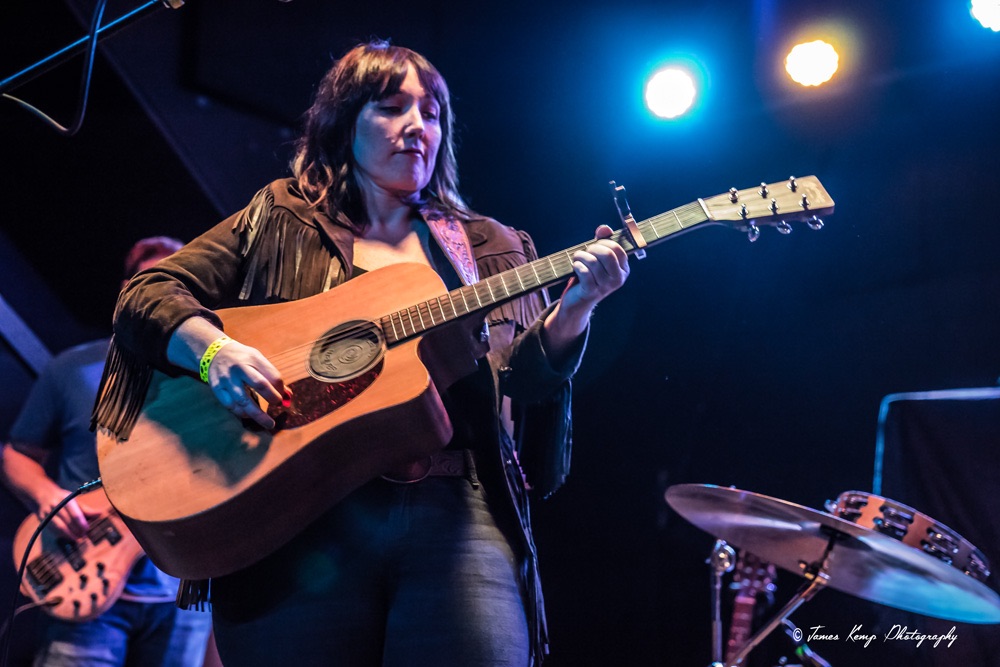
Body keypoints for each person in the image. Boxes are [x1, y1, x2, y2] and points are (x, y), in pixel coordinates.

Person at [93, 40, 629, 666]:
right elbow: (148, 292)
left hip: (455, 515)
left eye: (431, 112)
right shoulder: (281, 216)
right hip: (301, 515)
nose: (416, 126)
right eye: (391, 106)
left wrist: (576, 309)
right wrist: (214, 354)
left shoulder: (491, 247)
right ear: (344, 122)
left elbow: (523, 384)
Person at [2, 236, 214, 667]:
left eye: (180, 285)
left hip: (181, 595)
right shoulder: (72, 369)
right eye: (154, 283)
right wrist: (46, 499)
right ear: (127, 292)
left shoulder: (213, 380)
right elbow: (17, 454)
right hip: (79, 574)